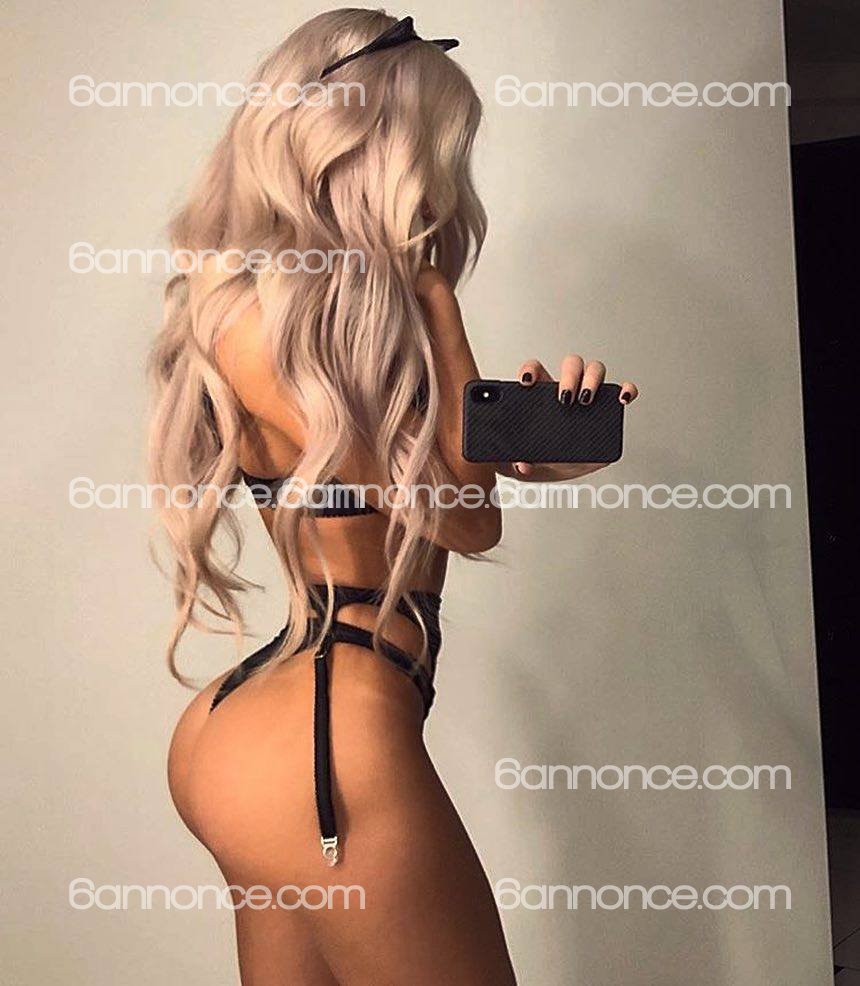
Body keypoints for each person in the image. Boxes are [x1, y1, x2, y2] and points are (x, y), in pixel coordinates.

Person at [150, 10, 638, 984]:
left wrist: (531, 451)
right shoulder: (281, 317)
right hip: (325, 741)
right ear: (373, 147)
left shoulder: (280, 319)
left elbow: (415, 485)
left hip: (271, 726)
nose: (443, 182)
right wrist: (441, 311)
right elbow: (463, 517)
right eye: (435, 149)